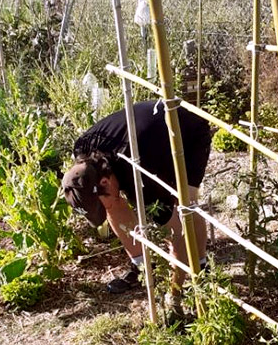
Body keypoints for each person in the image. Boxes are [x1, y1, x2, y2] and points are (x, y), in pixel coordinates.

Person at [62, 99, 211, 293]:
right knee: (112, 203)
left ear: (105, 182)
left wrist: (174, 291)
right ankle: (142, 266)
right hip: (148, 138)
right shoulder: (83, 150)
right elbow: (108, 200)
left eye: (100, 205)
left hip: (188, 130)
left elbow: (176, 235)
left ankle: (200, 269)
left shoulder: (141, 179)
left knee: (185, 205)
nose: (103, 210)